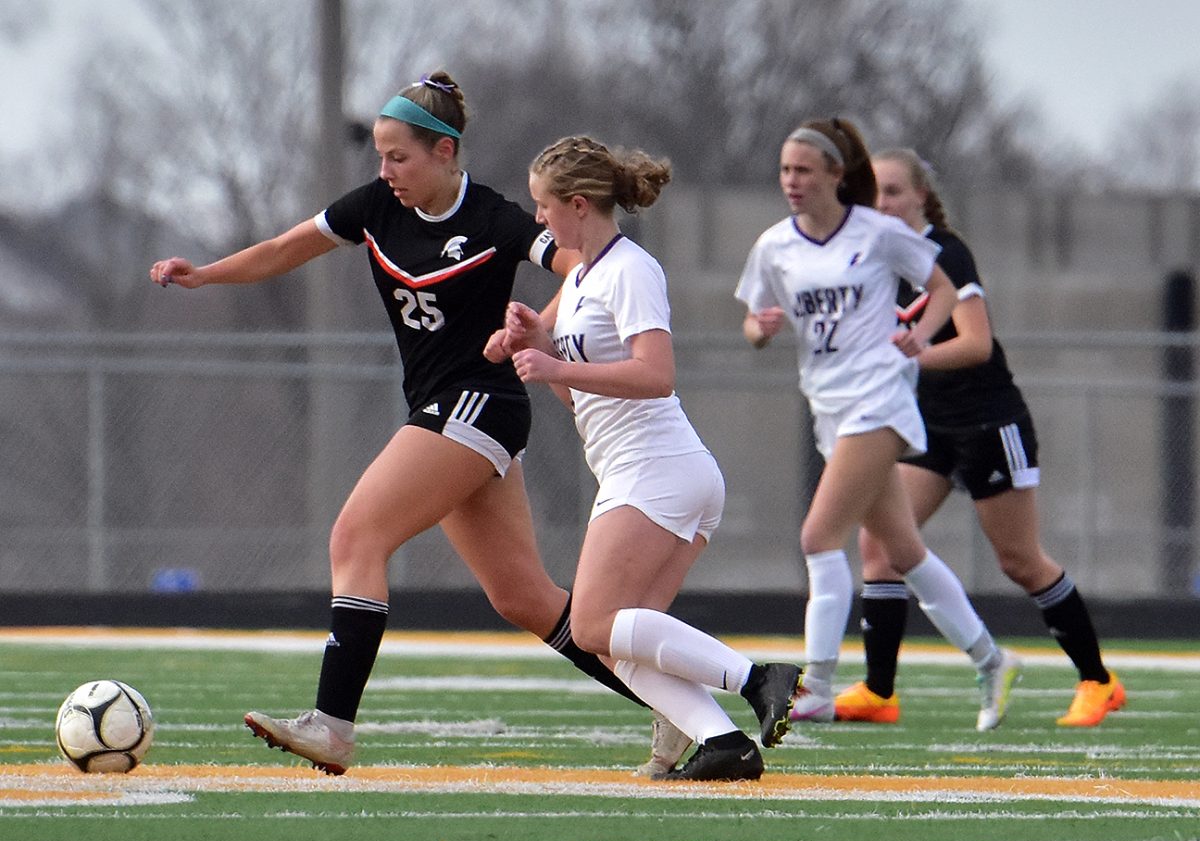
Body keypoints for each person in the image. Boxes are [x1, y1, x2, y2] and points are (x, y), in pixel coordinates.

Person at [148, 72, 664, 775]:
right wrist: (205, 274)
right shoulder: (375, 209)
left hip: (480, 401)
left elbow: (584, 263)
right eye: (381, 156)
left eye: (400, 157)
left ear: (445, 153)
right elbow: (284, 250)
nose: (385, 170)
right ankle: (679, 708)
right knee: (524, 599)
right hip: (444, 410)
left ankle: (332, 725)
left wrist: (537, 331)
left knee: (356, 534)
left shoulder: (493, 217)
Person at [491, 134, 802, 781]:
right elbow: (577, 397)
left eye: (544, 206)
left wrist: (549, 358)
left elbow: (656, 374)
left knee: (591, 621)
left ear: (578, 205)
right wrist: (534, 342)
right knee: (617, 643)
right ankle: (724, 744)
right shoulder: (579, 278)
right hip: (648, 472)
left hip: (657, 469)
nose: (539, 220)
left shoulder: (631, 269)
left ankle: (758, 679)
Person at [735, 118, 1021, 732]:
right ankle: (993, 660)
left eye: (804, 170)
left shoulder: (879, 233)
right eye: (785, 170)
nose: (792, 181)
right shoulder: (774, 247)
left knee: (818, 537)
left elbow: (942, 289)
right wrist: (761, 329)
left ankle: (816, 685)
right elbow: (754, 324)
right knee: (903, 550)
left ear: (837, 176)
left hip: (880, 400)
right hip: (829, 406)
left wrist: (917, 337)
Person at [834, 148, 1125, 728]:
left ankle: (1099, 682)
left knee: (1019, 560)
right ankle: (879, 692)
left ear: (922, 196)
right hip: (929, 426)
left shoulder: (945, 252)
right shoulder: (874, 258)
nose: (882, 203)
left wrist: (912, 358)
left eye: (893, 191)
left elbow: (976, 344)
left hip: (990, 423)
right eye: (873, 193)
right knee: (881, 545)